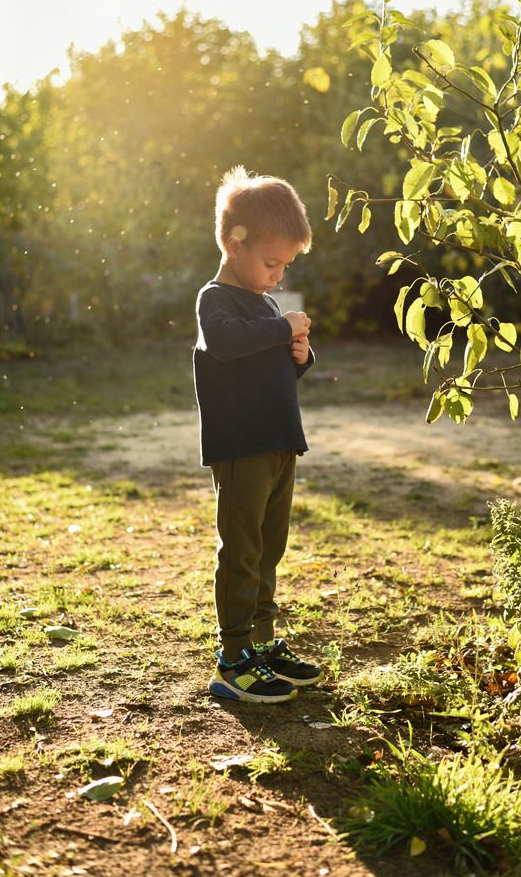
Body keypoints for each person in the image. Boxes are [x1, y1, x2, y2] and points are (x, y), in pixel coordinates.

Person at [193, 166, 322, 703]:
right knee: (241, 551)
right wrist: (281, 328)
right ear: (234, 242)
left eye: (285, 267)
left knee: (270, 547)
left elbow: (268, 369)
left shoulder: (267, 305)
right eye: (272, 264)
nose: (277, 277)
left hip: (278, 443)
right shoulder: (215, 301)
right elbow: (224, 344)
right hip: (242, 448)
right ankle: (232, 656)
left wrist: (300, 356)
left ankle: (262, 642)